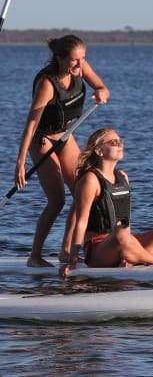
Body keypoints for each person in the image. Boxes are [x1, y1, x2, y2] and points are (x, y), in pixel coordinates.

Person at [15, 34, 111, 267]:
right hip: (42, 140)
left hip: (65, 136)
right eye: (74, 60)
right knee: (56, 201)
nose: (79, 65)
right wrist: (20, 164)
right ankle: (34, 256)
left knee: (81, 193)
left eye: (83, 59)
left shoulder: (81, 68)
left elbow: (101, 87)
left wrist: (101, 92)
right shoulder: (47, 85)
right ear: (60, 58)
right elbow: (30, 125)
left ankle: (66, 251)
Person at [60, 128, 153, 277]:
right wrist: (73, 259)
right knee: (120, 234)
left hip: (124, 242)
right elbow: (80, 222)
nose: (120, 145)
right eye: (114, 142)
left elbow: (125, 218)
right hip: (98, 250)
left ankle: (133, 259)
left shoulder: (123, 177)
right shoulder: (90, 180)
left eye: (121, 141)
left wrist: (130, 245)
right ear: (99, 151)